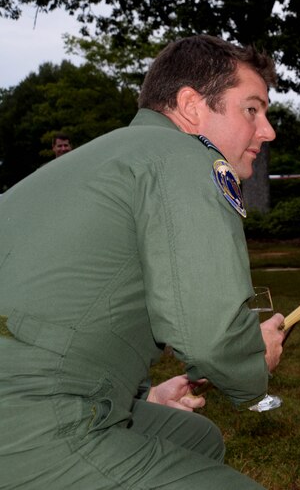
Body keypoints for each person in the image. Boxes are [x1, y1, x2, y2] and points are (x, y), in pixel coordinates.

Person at [0, 35, 285, 489]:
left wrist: (142, 394)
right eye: (252, 109)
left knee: (193, 438)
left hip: (28, 387)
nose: (267, 130)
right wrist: (254, 363)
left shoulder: (105, 156)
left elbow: (57, 301)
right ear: (192, 106)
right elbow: (210, 336)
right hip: (31, 417)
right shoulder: (186, 158)